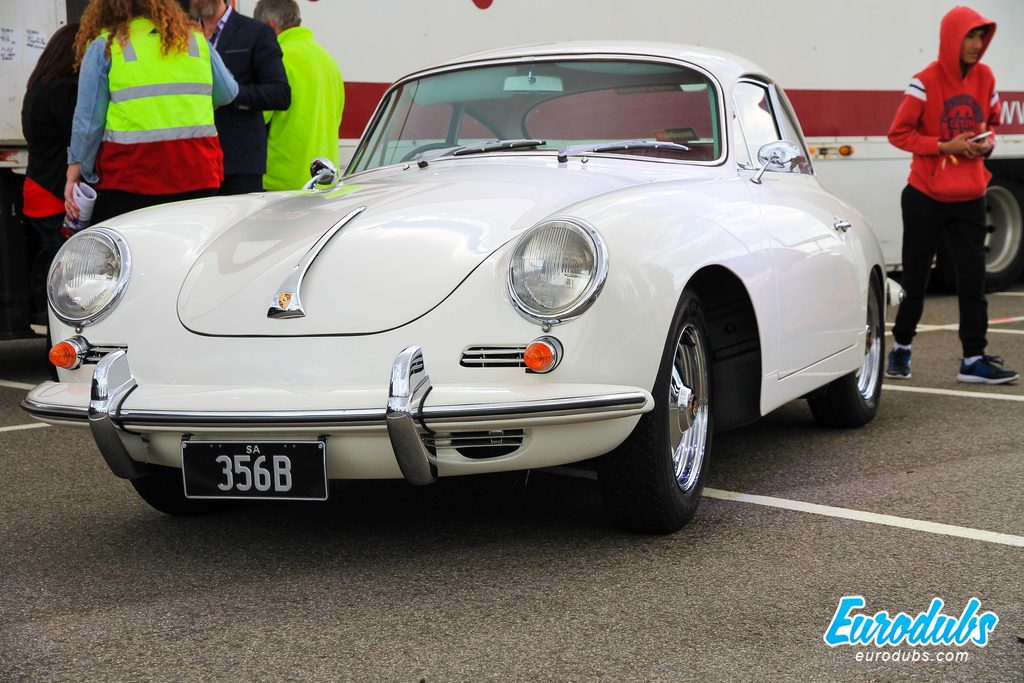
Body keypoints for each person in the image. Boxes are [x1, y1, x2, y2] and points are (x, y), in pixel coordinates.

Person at [886, 6, 1018, 385]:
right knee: (915, 281)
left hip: (970, 195)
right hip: (925, 195)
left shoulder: (986, 77)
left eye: (982, 37)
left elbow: (990, 125)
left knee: (974, 284)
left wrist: (984, 145)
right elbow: (899, 134)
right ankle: (902, 349)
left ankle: (973, 360)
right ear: (951, 39)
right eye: (970, 37)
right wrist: (944, 146)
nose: (978, 45)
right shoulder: (924, 81)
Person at [64, 0, 239, 224]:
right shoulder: (195, 40)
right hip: (198, 175)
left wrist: (76, 172)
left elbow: (89, 122)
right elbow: (228, 92)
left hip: (130, 181)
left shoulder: (107, 45)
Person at [190, 0, 291, 195]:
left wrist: (232, 94)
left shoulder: (256, 32)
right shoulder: (180, 33)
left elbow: (280, 94)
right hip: (194, 160)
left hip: (239, 163)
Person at [253, 0, 344, 191]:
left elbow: (258, 119)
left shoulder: (276, 60)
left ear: (269, 25)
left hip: (283, 184)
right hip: (325, 180)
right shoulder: (328, 60)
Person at [21, 23, 79, 319]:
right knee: (70, 281)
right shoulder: (63, 88)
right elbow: (79, 137)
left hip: (37, 190)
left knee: (53, 267)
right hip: (55, 194)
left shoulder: (38, 85)